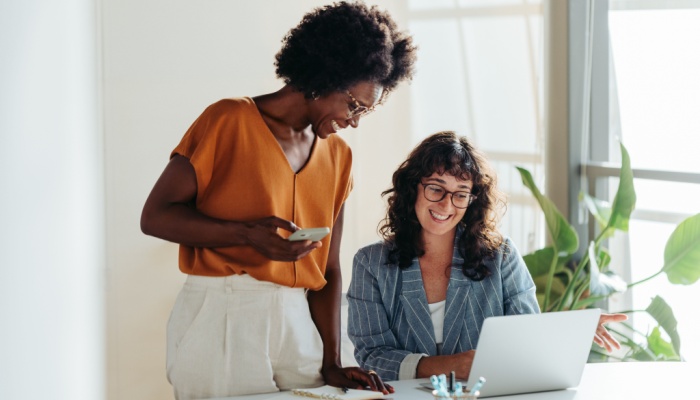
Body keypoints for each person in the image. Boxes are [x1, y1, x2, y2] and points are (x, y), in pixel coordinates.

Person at [140, 2, 417, 398]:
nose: (354, 120)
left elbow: (328, 269)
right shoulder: (229, 120)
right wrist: (245, 235)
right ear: (325, 76)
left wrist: (332, 362)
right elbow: (155, 216)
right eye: (354, 105)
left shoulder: (339, 157)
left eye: (365, 112)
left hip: (297, 321)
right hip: (224, 312)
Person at [346, 131, 627, 381]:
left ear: (473, 200)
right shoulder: (370, 264)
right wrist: (448, 365)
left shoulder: (501, 256)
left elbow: (525, 336)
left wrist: (571, 329)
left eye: (461, 194)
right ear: (413, 188)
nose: (446, 204)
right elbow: (373, 356)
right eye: (435, 188)